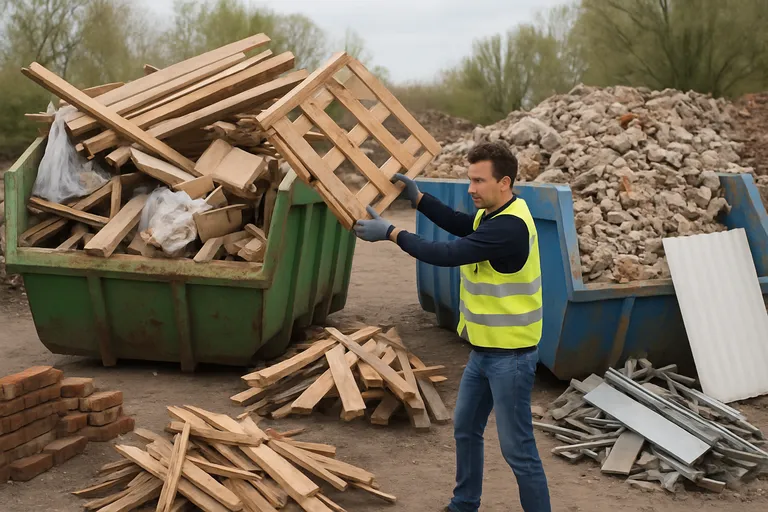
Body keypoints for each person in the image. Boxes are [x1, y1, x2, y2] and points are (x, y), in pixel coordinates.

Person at [353, 141, 551, 512]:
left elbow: (447, 254)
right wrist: (420, 199)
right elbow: (461, 224)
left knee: (518, 451)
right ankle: (463, 505)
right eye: (469, 179)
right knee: (466, 429)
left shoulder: (509, 227)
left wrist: (392, 233)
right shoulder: (494, 214)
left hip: (511, 358)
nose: (470, 189)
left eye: (478, 181)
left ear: (504, 182)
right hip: (484, 352)